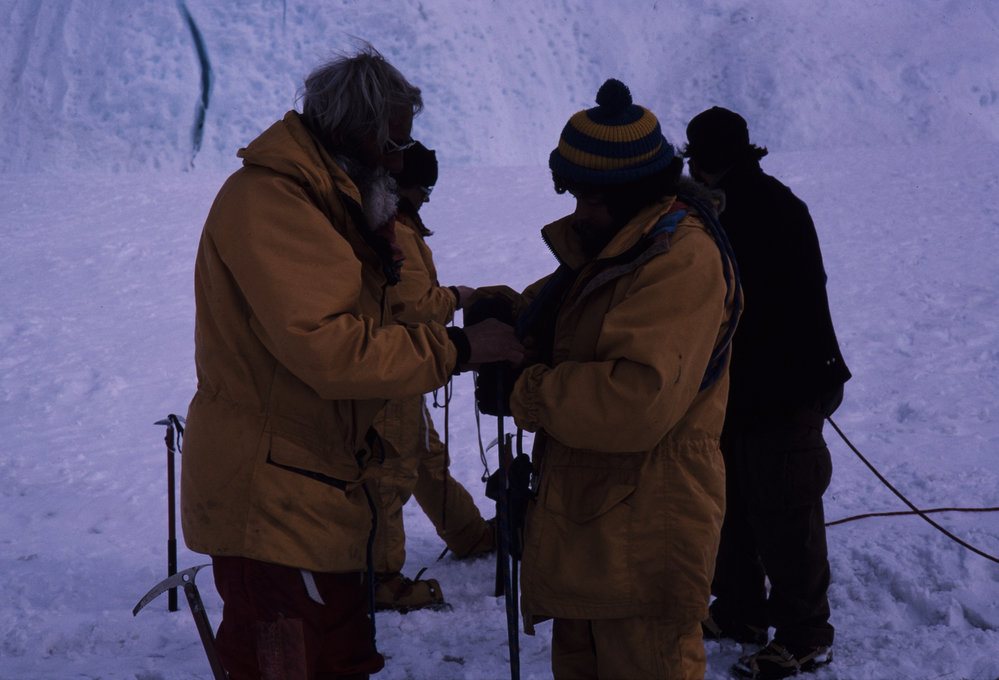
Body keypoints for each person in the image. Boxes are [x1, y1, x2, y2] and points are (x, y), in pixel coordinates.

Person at [180, 45, 522, 680]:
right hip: (272, 498)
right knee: (288, 663)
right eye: (392, 143)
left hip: (318, 488)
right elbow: (332, 348)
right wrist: (462, 348)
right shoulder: (274, 202)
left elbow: (380, 311)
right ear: (350, 129)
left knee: (340, 659)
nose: (398, 160)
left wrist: (456, 310)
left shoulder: (332, 201)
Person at [470, 79, 741, 679]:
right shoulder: (621, 245)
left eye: (592, 199)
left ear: (635, 192)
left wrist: (527, 389)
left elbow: (634, 401)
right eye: (574, 195)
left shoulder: (680, 258)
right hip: (594, 529)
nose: (579, 212)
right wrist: (509, 318)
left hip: (645, 532)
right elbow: (574, 314)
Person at [683, 106, 851, 680]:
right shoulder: (757, 202)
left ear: (704, 162)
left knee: (784, 510)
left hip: (784, 387)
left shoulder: (739, 212)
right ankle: (741, 612)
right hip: (752, 386)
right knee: (733, 497)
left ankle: (806, 636)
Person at [370, 141, 495, 612]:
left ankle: (469, 534)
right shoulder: (397, 231)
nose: (426, 197)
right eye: (423, 188)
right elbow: (414, 306)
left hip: (402, 364)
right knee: (392, 470)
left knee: (423, 456)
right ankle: (382, 578)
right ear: (404, 186)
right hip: (394, 368)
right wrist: (457, 298)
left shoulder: (394, 225)